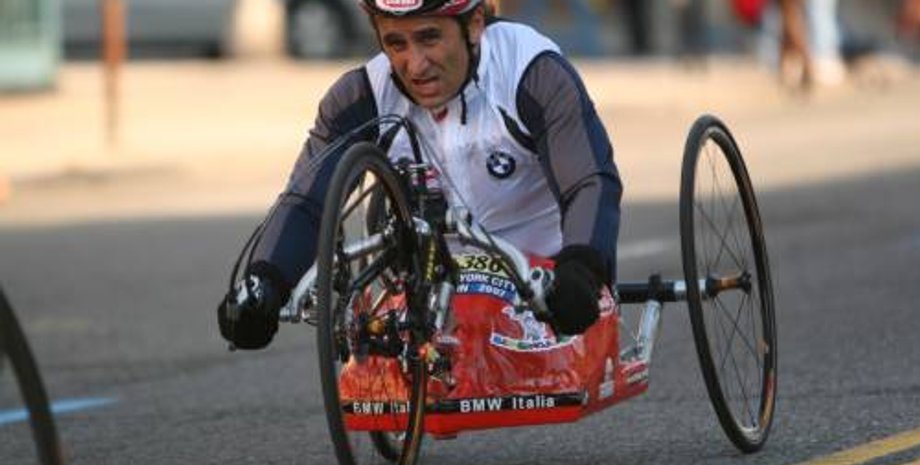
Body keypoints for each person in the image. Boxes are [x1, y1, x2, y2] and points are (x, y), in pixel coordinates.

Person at [217, 0, 623, 350]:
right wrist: (265, 283)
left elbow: (589, 180)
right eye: (396, 43)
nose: (415, 64)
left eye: (429, 38)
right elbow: (307, 203)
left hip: (541, 278)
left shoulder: (531, 71)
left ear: (474, 24)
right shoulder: (360, 95)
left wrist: (582, 268)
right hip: (430, 283)